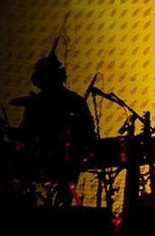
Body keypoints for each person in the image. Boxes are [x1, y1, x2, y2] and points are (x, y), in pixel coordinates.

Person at [13, 53, 96, 203]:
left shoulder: (72, 101)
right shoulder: (36, 103)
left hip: (65, 161)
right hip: (41, 159)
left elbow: (88, 133)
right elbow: (25, 132)